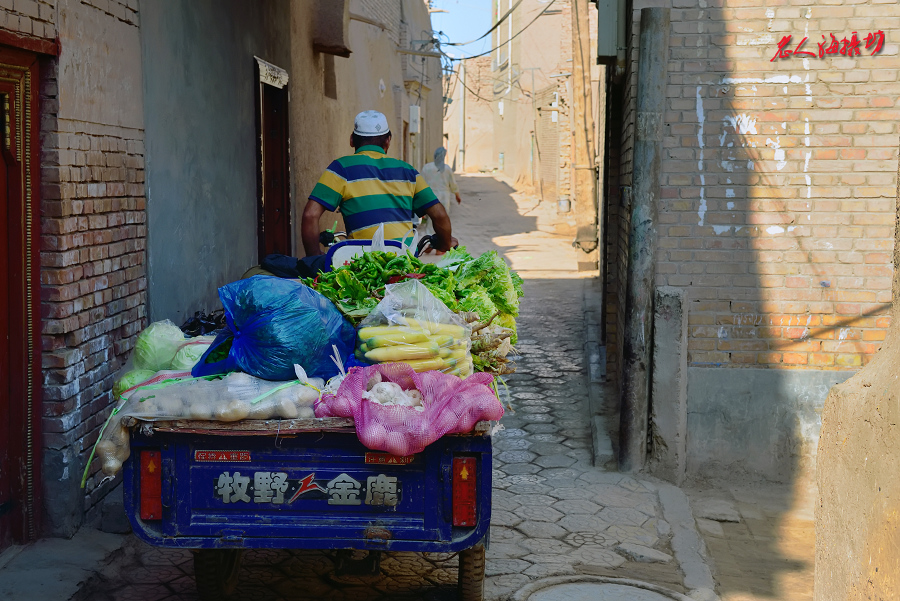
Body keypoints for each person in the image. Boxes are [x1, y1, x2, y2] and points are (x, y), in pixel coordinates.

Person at [302, 110, 458, 258]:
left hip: (363, 264)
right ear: (388, 140)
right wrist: (445, 243)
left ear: (351, 140)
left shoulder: (341, 168)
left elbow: (310, 215)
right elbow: (439, 215)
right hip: (406, 258)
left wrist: (314, 257)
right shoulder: (408, 171)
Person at [419, 147, 461, 252]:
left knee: (430, 221)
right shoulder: (446, 168)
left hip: (429, 197)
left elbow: (421, 184)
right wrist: (457, 194)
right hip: (444, 197)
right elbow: (453, 184)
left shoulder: (427, 168)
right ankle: (440, 247)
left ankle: (429, 243)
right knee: (443, 222)